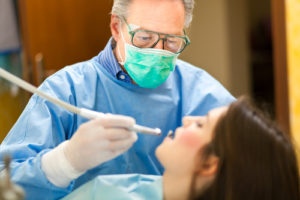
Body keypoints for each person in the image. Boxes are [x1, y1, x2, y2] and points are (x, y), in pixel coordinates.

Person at [0, 0, 235, 199]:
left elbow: (251, 167)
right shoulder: (66, 91)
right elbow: (5, 182)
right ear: (115, 27)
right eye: (144, 37)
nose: (158, 51)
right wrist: (63, 163)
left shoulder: (202, 93)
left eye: (172, 42)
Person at [62, 97, 300, 200]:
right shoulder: (124, 190)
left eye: (199, 124)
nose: (186, 119)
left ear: (209, 164)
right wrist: (65, 163)